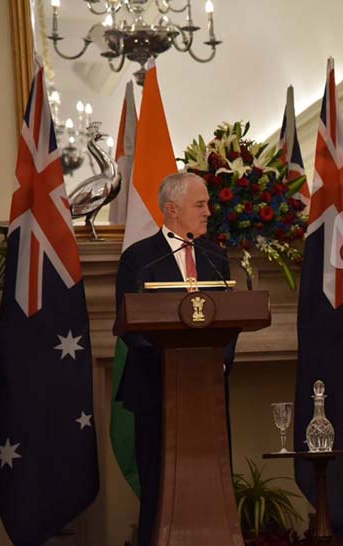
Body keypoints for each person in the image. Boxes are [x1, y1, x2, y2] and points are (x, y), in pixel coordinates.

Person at [115, 172, 234, 546]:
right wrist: (172, 362)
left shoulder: (215, 257)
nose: (208, 211)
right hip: (155, 390)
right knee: (158, 486)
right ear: (172, 209)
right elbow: (130, 325)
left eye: (208, 204)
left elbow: (231, 319)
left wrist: (219, 362)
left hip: (208, 391)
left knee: (211, 481)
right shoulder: (139, 258)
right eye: (200, 204)